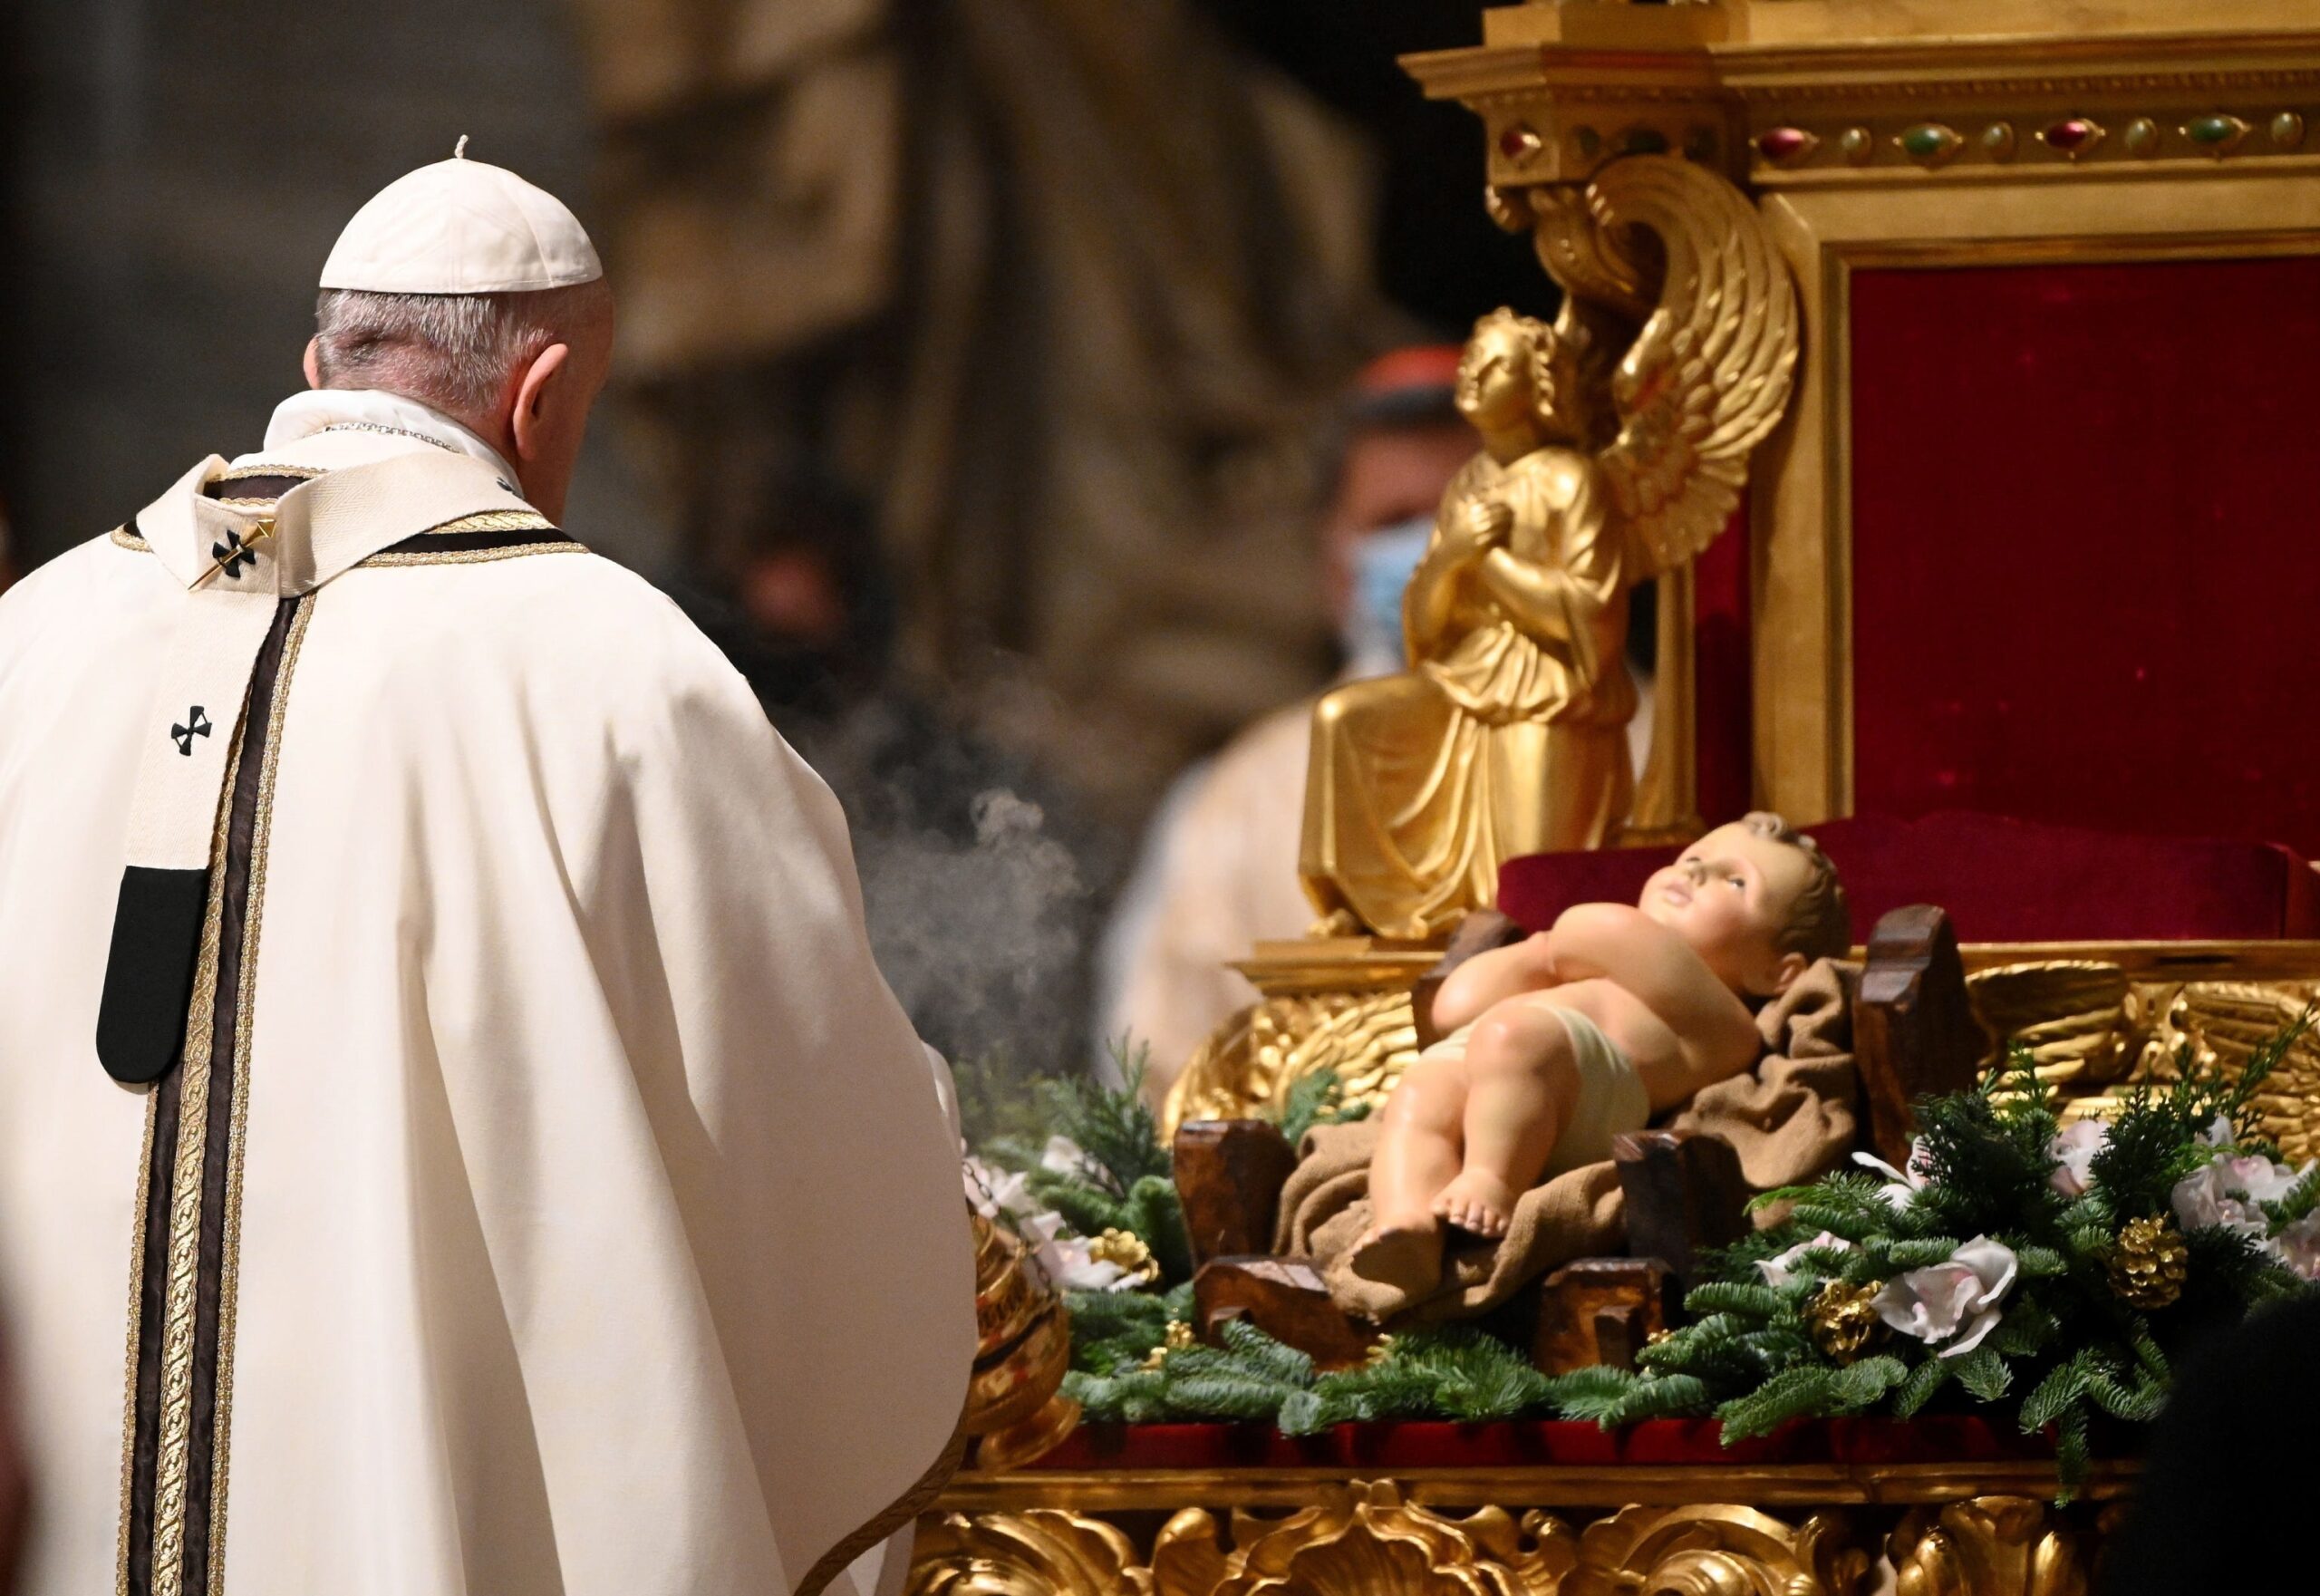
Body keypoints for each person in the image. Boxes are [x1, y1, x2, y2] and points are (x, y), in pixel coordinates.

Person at [0, 147, 972, 1596]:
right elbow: (797, 1129)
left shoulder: (32, 636)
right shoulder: (617, 672)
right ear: (543, 394)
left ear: (316, 362)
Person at [1094, 346, 1476, 1092]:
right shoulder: (1239, 795)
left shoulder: (1647, 740)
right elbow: (1155, 1070)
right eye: (1396, 520)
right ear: (1335, 562)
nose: (1435, 547)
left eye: (1462, 510)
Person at [1348, 814, 1850, 1297]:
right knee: (1418, 1098)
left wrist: (1555, 950)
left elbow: (1609, 931)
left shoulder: (1722, 1021)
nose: (1694, 873)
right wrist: (1542, 953)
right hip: (1484, 1055)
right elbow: (1455, 1008)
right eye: (1692, 858)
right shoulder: (1586, 962)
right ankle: (1406, 1223)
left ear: (1776, 974)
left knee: (1515, 1037)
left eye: (1736, 882)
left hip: (1576, 1090)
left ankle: (1491, 1179)